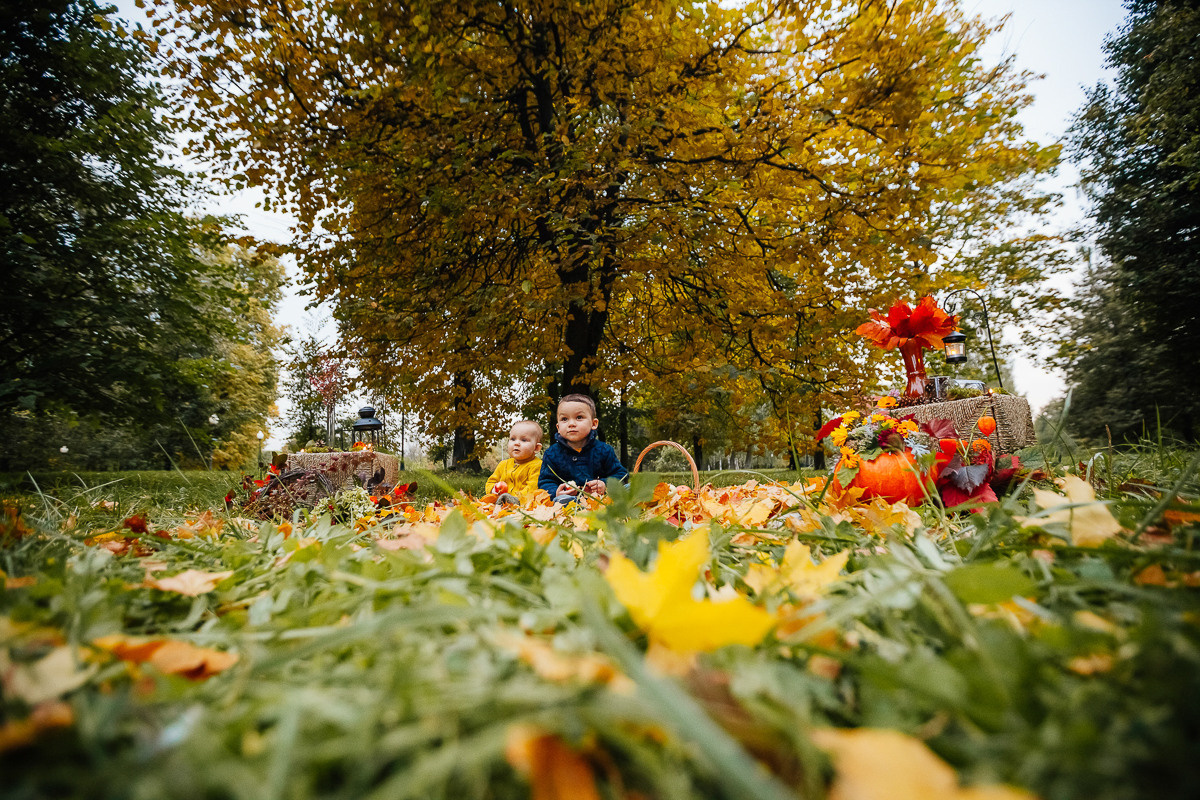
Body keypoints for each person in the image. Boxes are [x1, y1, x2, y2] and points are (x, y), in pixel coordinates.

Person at [538, 393, 629, 503]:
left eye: (579, 417)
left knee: (628, 488)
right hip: (570, 501)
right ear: (558, 427)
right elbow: (545, 481)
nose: (571, 424)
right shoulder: (552, 453)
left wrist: (604, 484)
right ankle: (572, 506)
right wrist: (556, 492)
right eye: (564, 419)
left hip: (601, 499)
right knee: (561, 500)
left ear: (594, 423)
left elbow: (622, 475)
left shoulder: (604, 450)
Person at [485, 420, 544, 505]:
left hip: (523, 503)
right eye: (513, 439)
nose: (516, 443)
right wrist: (493, 489)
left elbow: (532, 488)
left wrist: (514, 498)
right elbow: (490, 482)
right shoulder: (503, 464)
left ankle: (510, 501)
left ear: (536, 448)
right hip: (499, 501)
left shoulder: (537, 465)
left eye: (524, 440)